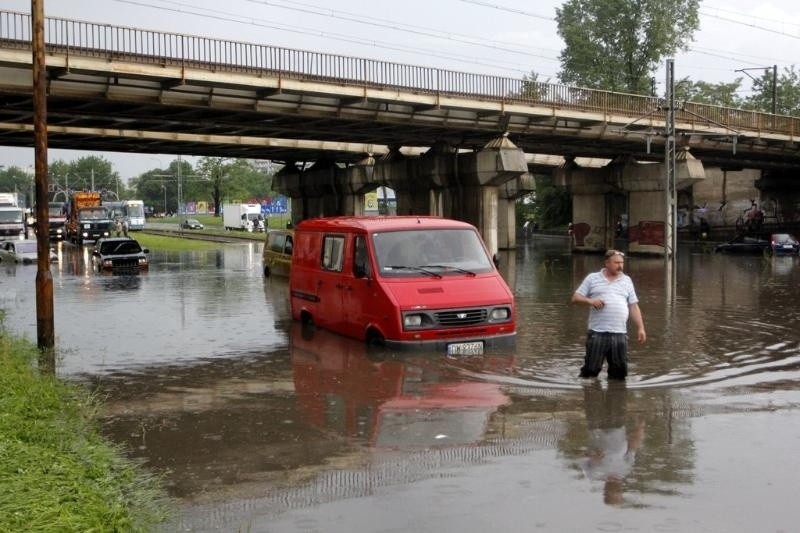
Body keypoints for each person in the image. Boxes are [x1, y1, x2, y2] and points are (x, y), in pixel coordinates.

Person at [570, 249, 646, 379]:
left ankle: (616, 397)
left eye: (622, 263)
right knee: (590, 371)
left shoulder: (627, 280)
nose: (620, 266)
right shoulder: (592, 278)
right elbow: (575, 298)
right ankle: (590, 395)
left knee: (619, 374)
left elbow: (633, 305)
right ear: (607, 263)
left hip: (619, 333)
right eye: (616, 262)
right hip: (597, 332)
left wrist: (641, 328)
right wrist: (590, 300)